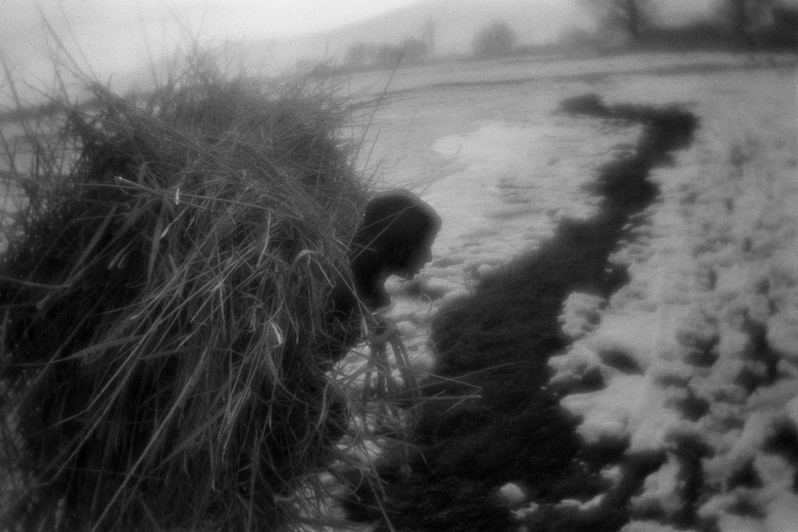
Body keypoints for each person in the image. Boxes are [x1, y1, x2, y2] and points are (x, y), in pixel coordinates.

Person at [324, 189, 442, 364]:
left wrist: (368, 321)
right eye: (424, 245)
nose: (429, 257)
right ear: (399, 245)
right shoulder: (341, 293)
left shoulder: (351, 276)